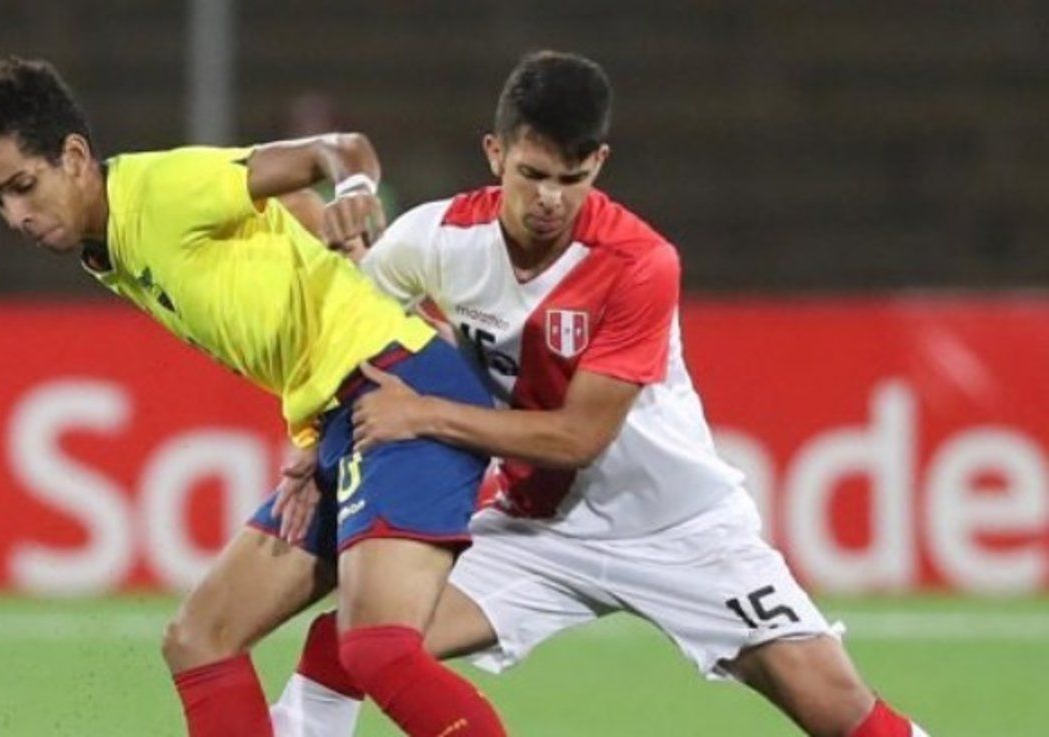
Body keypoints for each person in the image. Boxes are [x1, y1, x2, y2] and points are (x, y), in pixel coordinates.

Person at [269, 51, 931, 737]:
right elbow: (349, 342)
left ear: (599, 165)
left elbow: (578, 437)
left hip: (682, 528)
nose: (550, 198)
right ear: (495, 154)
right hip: (539, 529)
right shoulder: (434, 240)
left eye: (571, 178)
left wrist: (425, 414)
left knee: (839, 710)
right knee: (355, 644)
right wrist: (310, 448)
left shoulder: (638, 263)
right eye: (532, 174)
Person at [0, 57, 508, 737]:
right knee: (199, 637)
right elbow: (285, 279)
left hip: (398, 387)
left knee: (375, 648)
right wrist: (307, 443)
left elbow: (337, 150)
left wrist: (354, 185)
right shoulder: (107, 246)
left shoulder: (161, 191)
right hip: (340, 414)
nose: (16, 216)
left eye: (24, 186)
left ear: (75, 155)